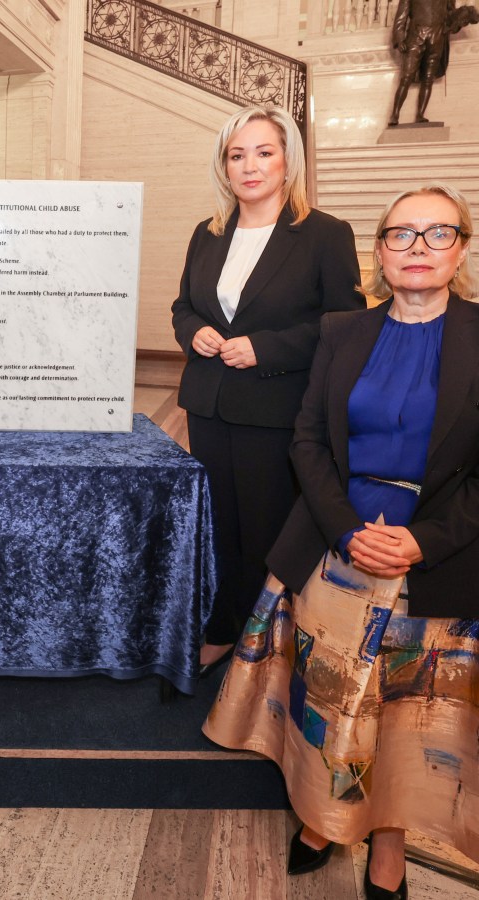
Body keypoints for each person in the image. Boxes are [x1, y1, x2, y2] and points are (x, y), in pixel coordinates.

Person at [204, 184, 479, 899]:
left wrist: (420, 542)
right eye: (402, 234)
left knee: (401, 716)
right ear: (379, 253)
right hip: (335, 546)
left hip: (437, 559)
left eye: (437, 234)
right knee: (323, 698)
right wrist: (347, 530)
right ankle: (320, 816)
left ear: (461, 249)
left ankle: (387, 845)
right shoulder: (341, 331)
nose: (418, 248)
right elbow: (306, 440)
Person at [171, 105, 363, 675]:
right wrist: (193, 332)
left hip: (276, 409)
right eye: (237, 155)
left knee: (268, 533)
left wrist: (267, 348)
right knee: (220, 528)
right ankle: (225, 628)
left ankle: (271, 647)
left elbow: (345, 322)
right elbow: (183, 306)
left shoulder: (325, 234)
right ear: (223, 166)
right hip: (208, 405)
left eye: (264, 152)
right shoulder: (207, 234)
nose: (250, 166)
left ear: (288, 161)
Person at [388, 0, 479, 126]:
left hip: (437, 37)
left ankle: (420, 114)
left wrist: (463, 15)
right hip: (415, 36)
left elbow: (449, 16)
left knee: (428, 79)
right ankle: (395, 115)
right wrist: (399, 38)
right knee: (406, 77)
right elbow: (401, 16)